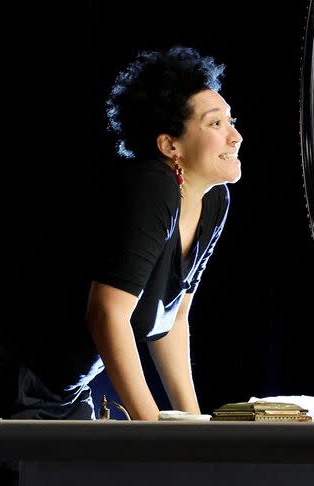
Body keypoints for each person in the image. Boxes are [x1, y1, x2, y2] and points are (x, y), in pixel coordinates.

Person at [86, 44, 243, 420]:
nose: (235, 136)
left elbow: (173, 321)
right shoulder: (153, 185)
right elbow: (106, 313)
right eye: (215, 124)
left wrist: (195, 424)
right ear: (170, 145)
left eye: (231, 120)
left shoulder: (214, 202)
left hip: (65, 390)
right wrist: (151, 428)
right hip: (8, 375)